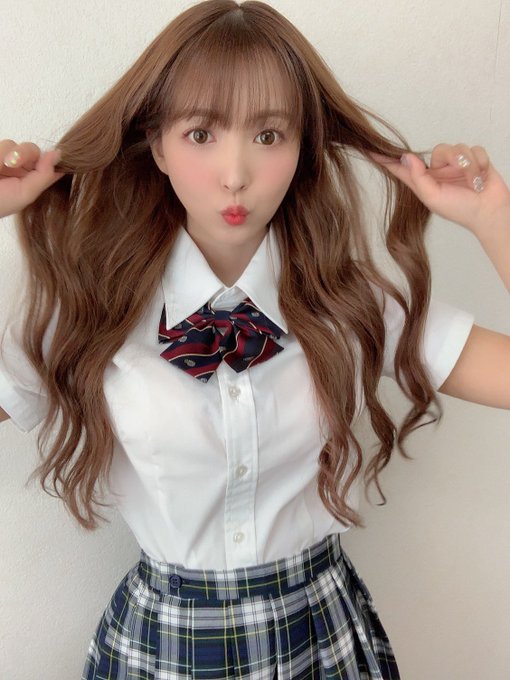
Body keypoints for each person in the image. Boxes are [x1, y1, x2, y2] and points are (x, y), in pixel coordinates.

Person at [0, 0, 509, 678]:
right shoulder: (87, 311)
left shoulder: (352, 302)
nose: (235, 172)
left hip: (323, 639)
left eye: (269, 134)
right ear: (157, 145)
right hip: (162, 649)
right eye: (201, 133)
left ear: (302, 150)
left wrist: (493, 216)